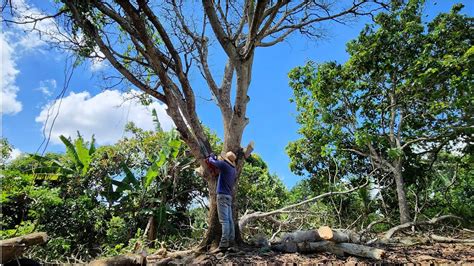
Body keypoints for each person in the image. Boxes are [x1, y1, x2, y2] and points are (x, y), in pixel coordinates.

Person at [206, 151, 237, 253]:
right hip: (228, 196)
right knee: (230, 220)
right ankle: (231, 242)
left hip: (222, 196)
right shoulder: (233, 170)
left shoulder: (224, 165)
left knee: (224, 221)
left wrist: (211, 156)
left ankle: (223, 244)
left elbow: (211, 161)